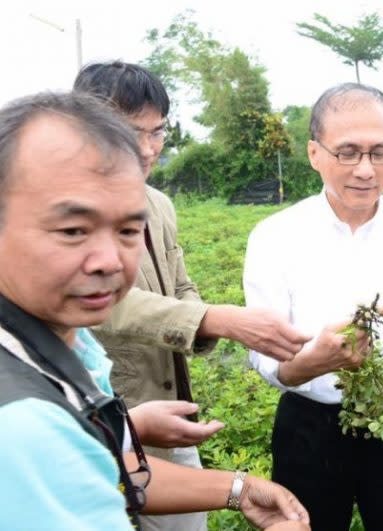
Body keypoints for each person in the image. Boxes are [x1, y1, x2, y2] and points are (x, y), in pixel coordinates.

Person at [0, 91, 309, 530]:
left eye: (128, 229)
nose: (109, 258)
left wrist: (237, 488)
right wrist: (218, 320)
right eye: (72, 230)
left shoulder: (68, 346)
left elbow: (106, 472)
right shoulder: (21, 424)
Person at [243, 83, 383, 531]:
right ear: (313, 153)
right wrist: (310, 363)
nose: (366, 169)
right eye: (347, 152)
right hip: (310, 428)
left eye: (380, 153)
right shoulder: (274, 236)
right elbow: (268, 361)